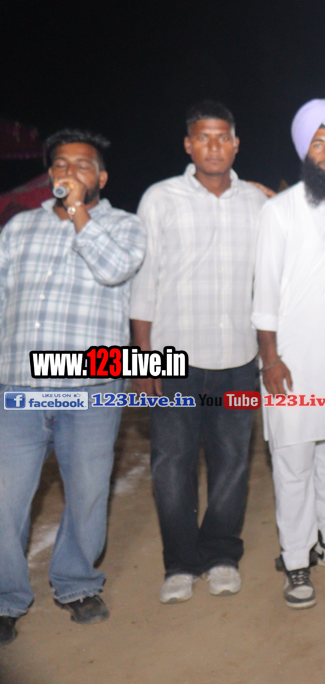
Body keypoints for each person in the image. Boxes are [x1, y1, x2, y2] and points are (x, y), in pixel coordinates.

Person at [0, 130, 146, 644]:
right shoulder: (19, 228)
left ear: (101, 177)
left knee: (86, 492)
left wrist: (80, 212)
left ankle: (77, 583)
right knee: (5, 498)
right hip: (18, 386)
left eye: (82, 165)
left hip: (90, 387)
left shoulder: (125, 226)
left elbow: (114, 270)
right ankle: (5, 597)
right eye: (60, 164)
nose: (69, 172)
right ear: (49, 174)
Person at [130, 101, 267, 605]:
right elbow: (144, 283)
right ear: (188, 145)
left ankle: (222, 555)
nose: (214, 146)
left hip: (239, 359)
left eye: (222, 137)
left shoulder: (256, 203)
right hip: (173, 360)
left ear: (236, 144)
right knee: (172, 465)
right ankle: (180, 564)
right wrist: (140, 360)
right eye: (203, 138)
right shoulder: (160, 198)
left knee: (232, 462)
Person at [251, 99, 325, 609]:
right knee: (294, 464)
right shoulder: (278, 210)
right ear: (305, 151)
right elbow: (263, 294)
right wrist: (270, 358)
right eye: (319, 143)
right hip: (292, 364)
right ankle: (296, 559)